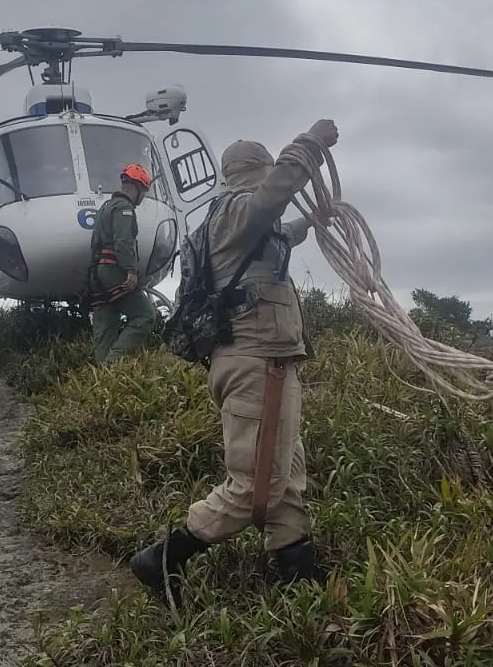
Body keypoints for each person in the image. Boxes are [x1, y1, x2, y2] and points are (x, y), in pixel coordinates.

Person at [128, 119, 338, 609]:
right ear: (257, 175)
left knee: (284, 472)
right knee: (253, 487)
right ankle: (162, 557)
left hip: (267, 362)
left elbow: (283, 229)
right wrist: (310, 143)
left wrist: (315, 221)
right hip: (256, 363)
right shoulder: (238, 211)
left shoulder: (239, 224)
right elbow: (271, 200)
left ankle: (296, 574)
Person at [87, 163, 158, 364]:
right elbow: (123, 242)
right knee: (144, 317)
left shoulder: (105, 207)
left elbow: (95, 244)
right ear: (137, 187)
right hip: (115, 270)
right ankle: (113, 363)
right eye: (143, 191)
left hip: (99, 272)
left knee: (105, 326)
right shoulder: (124, 208)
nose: (143, 196)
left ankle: (103, 378)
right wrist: (131, 271)